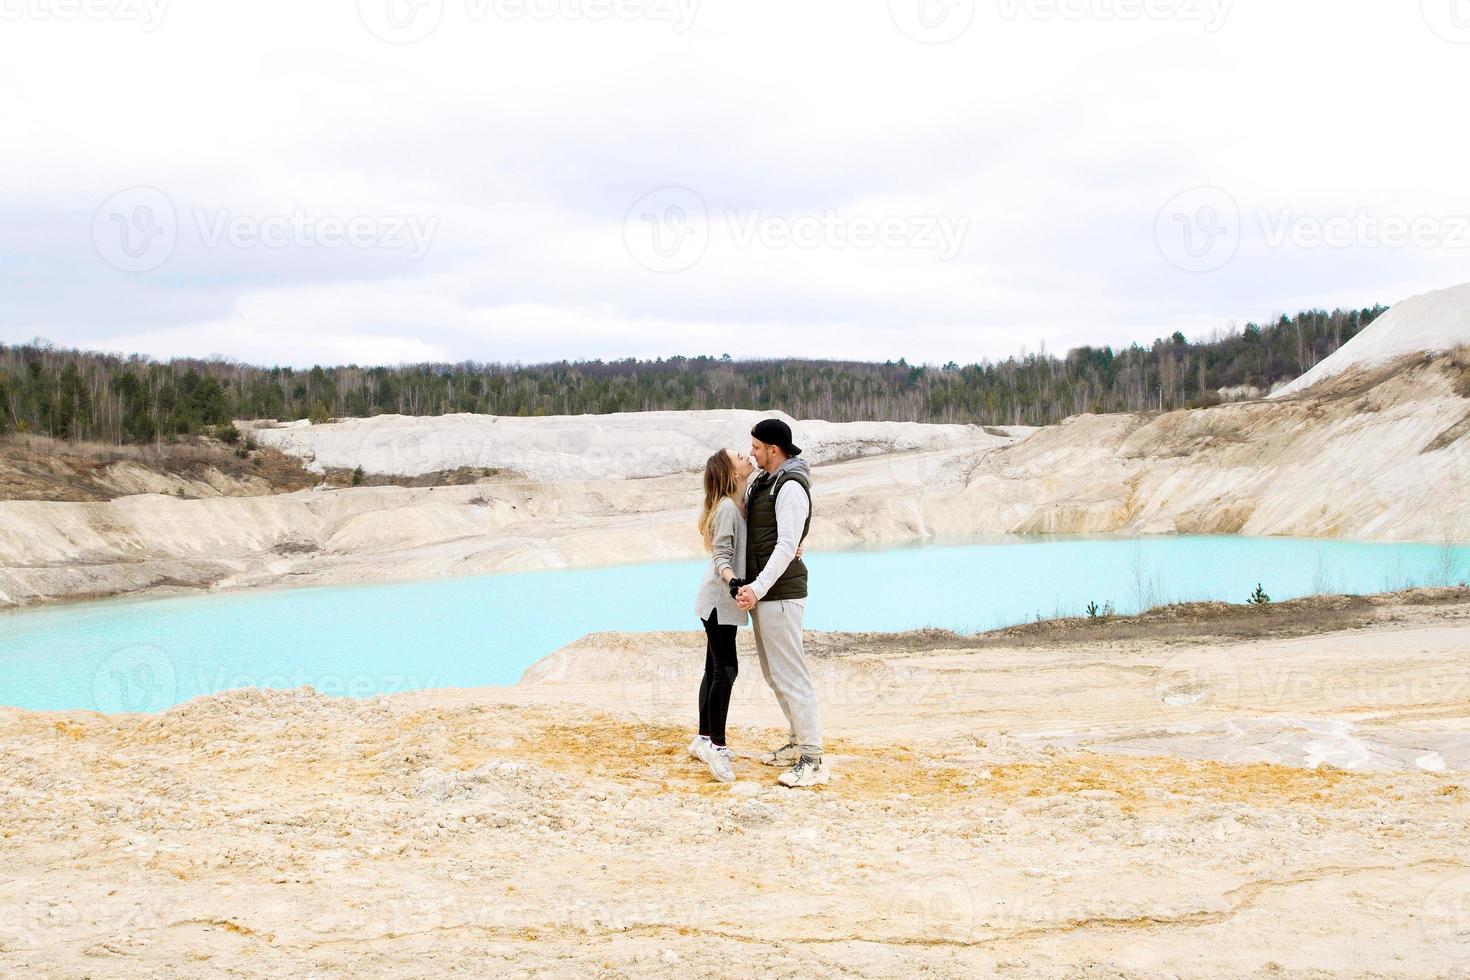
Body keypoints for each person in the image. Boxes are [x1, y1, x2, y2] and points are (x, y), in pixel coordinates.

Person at [735, 418, 826, 788]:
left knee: (792, 676)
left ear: (774, 449)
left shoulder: (789, 486)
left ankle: (813, 758)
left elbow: (787, 545)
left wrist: (756, 588)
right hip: (766, 594)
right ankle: (795, 742)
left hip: (781, 594)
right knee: (776, 676)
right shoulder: (766, 482)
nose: (752, 453)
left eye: (756, 447)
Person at [689, 447, 754, 782]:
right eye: (740, 457)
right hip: (718, 601)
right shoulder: (728, 508)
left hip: (717, 602)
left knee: (714, 667)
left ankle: (702, 738)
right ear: (733, 473)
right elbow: (722, 555)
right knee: (726, 671)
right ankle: (717, 747)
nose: (747, 457)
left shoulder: (739, 503)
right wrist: (734, 584)